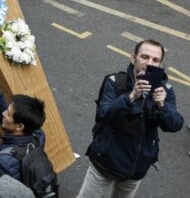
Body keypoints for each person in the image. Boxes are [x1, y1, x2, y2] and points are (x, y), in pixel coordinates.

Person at [76, 40, 184, 197]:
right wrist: (131, 97)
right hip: (105, 164)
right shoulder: (114, 82)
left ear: (160, 65)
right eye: (145, 57)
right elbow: (103, 115)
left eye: (155, 60)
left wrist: (162, 105)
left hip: (136, 169)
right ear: (133, 58)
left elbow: (174, 125)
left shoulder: (165, 90)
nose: (149, 63)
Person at [0, 76, 47, 197]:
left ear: (20, 126)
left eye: (7, 113)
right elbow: (11, 119)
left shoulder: (3, 162)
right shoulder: (38, 136)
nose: (3, 113)